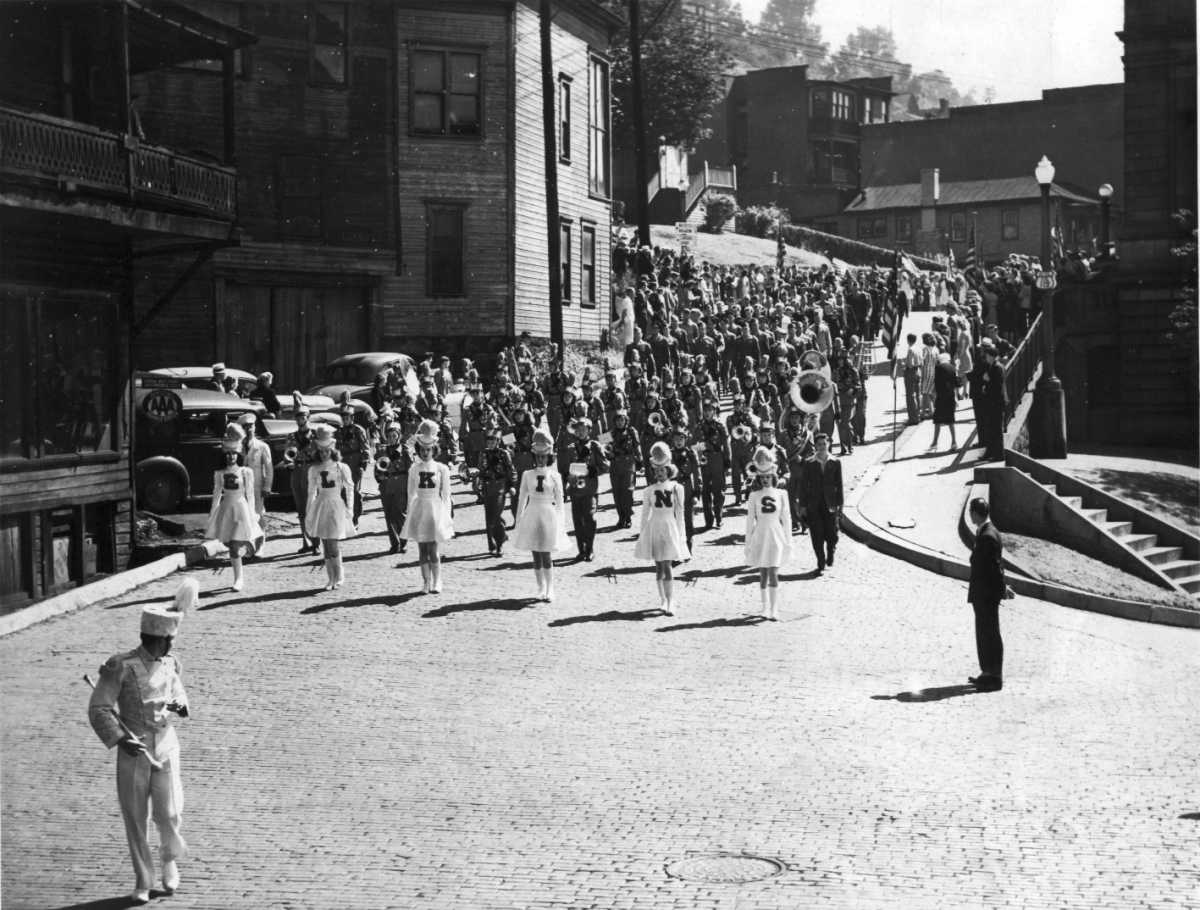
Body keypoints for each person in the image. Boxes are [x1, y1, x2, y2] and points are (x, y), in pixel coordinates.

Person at [88, 578, 196, 904]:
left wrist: (181, 704)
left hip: (166, 746)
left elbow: (178, 692)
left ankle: (169, 860)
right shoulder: (119, 666)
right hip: (134, 751)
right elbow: (99, 708)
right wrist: (120, 739)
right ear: (155, 639)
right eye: (168, 641)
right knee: (136, 817)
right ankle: (143, 879)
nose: (171, 647)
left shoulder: (171, 663)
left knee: (170, 811)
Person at [512, 429, 570, 601]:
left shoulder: (555, 476)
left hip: (548, 515)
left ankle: (550, 588)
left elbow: (560, 502)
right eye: (538, 456)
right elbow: (522, 497)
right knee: (535, 553)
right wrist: (518, 519)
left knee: (546, 552)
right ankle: (541, 587)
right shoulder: (527, 474)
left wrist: (561, 522)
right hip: (532, 513)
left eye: (544, 456)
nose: (540, 459)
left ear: (549, 456)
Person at [205, 424, 264, 591]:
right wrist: (212, 514)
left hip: (241, 508)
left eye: (234, 454)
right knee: (230, 544)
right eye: (228, 454)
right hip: (227, 509)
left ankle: (239, 579)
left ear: (238, 454)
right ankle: (246, 549)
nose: (231, 457)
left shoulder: (246, 472)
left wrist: (253, 514)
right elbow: (217, 494)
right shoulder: (220, 473)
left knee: (235, 545)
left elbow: (250, 494)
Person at [634, 442, 689, 615]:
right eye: (656, 471)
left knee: (667, 565)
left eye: (662, 470)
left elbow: (680, 514)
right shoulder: (649, 490)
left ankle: (671, 600)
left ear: (669, 470)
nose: (659, 474)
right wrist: (643, 534)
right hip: (654, 527)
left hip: (669, 527)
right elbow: (644, 515)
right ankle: (663, 600)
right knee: (658, 566)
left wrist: (682, 536)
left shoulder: (677, 488)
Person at [401, 419, 454, 593]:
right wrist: (410, 515)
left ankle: (438, 581)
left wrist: (445, 516)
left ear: (434, 450)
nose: (425, 453)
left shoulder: (441, 469)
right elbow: (410, 493)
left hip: (435, 509)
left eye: (428, 450)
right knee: (422, 548)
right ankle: (426, 582)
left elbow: (446, 495)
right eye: (422, 450)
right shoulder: (414, 469)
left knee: (433, 548)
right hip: (420, 509)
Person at [744, 446, 793, 619]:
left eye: (767, 477)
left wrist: (789, 540)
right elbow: (750, 521)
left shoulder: (781, 493)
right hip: (761, 534)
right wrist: (747, 543)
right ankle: (764, 607)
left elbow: (786, 519)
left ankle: (774, 608)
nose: (765, 480)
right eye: (762, 477)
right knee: (763, 572)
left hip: (776, 535)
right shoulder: (754, 495)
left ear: (773, 475)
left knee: (773, 571)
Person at [967, 497, 1010, 692]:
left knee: (990, 634)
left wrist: (1002, 589)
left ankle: (994, 677)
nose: (970, 515)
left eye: (971, 512)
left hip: (986, 595)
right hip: (983, 593)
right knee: (984, 633)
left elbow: (994, 567)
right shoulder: (986, 532)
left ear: (976, 513)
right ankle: (986, 673)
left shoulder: (987, 536)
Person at [305, 424, 356, 590]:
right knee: (325, 543)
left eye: (327, 450)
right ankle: (330, 578)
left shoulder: (341, 467)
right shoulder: (314, 469)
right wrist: (309, 511)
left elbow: (349, 488)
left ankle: (339, 575)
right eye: (321, 451)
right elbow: (311, 492)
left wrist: (350, 509)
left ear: (332, 450)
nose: (324, 453)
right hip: (321, 505)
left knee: (333, 542)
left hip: (336, 505)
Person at [564, 416, 608, 561]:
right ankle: (581, 549)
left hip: (590, 489)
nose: (581, 432)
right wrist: (568, 479)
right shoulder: (571, 448)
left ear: (589, 430)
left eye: (584, 430)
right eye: (578, 430)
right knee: (578, 521)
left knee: (590, 518)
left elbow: (606, 466)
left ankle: (589, 548)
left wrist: (593, 471)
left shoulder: (595, 446)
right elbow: (565, 469)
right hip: (576, 490)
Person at [798, 432, 843, 573]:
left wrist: (840, 504)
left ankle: (831, 550)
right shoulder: (809, 463)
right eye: (819, 444)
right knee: (816, 533)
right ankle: (820, 560)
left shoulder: (835, 462)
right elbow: (804, 485)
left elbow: (839, 484)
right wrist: (803, 505)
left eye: (824, 444)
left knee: (832, 534)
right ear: (815, 446)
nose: (822, 447)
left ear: (828, 444)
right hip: (814, 504)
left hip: (830, 503)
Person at [286, 395, 319, 554]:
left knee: (312, 507)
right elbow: (287, 454)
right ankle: (306, 541)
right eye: (298, 416)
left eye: (303, 416)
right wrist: (288, 462)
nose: (300, 419)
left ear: (308, 417)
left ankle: (316, 542)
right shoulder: (292, 436)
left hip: (311, 470)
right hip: (297, 471)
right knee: (301, 509)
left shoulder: (315, 435)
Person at [478, 426, 516, 556]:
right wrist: (477, 480)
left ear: (498, 441)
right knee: (489, 518)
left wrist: (511, 485)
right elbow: (481, 470)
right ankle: (492, 544)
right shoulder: (483, 453)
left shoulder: (503, 453)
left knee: (496, 516)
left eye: (493, 441)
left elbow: (511, 470)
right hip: (487, 487)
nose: (490, 443)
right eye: (488, 441)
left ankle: (500, 543)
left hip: (500, 486)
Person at [238, 413, 274, 552]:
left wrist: (267, 486)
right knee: (244, 515)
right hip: (241, 486)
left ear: (255, 427)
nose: (249, 429)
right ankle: (249, 545)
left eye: (251, 426)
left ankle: (260, 544)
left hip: (257, 485)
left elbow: (269, 468)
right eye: (245, 427)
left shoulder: (262, 446)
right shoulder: (238, 447)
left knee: (258, 514)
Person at [334, 393, 371, 526]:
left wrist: (363, 464)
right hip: (343, 463)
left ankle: (355, 517)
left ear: (352, 417)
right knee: (343, 491)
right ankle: (346, 517)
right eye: (343, 417)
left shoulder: (358, 430)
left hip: (355, 462)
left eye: (348, 417)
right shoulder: (337, 432)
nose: (345, 420)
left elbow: (366, 449)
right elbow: (335, 449)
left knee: (355, 492)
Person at [376, 424, 413, 555]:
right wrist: (379, 477)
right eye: (389, 436)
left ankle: (403, 542)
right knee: (389, 515)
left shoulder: (405, 450)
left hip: (401, 484)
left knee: (401, 515)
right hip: (386, 485)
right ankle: (394, 543)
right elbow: (377, 469)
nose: (391, 439)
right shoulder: (382, 451)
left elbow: (411, 469)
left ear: (399, 436)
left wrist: (411, 487)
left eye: (394, 436)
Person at [607, 408, 642, 529]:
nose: (619, 422)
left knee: (628, 491)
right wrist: (608, 454)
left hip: (629, 464)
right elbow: (603, 448)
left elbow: (637, 446)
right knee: (617, 493)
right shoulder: (609, 433)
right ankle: (621, 517)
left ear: (626, 420)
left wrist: (640, 460)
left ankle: (628, 517)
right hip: (615, 465)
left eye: (622, 420)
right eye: (617, 420)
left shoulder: (632, 431)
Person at [931, 351, 960, 450]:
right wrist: (956, 398)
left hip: (941, 396)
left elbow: (935, 383)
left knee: (937, 421)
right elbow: (956, 384)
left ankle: (935, 442)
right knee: (951, 420)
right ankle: (954, 442)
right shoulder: (953, 368)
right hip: (950, 396)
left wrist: (934, 397)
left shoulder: (938, 368)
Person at [901, 333, 921, 424]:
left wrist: (903, 365)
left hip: (911, 372)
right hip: (918, 371)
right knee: (917, 394)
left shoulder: (911, 350)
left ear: (908, 340)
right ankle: (918, 414)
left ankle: (913, 418)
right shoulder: (918, 348)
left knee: (910, 396)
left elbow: (910, 364)